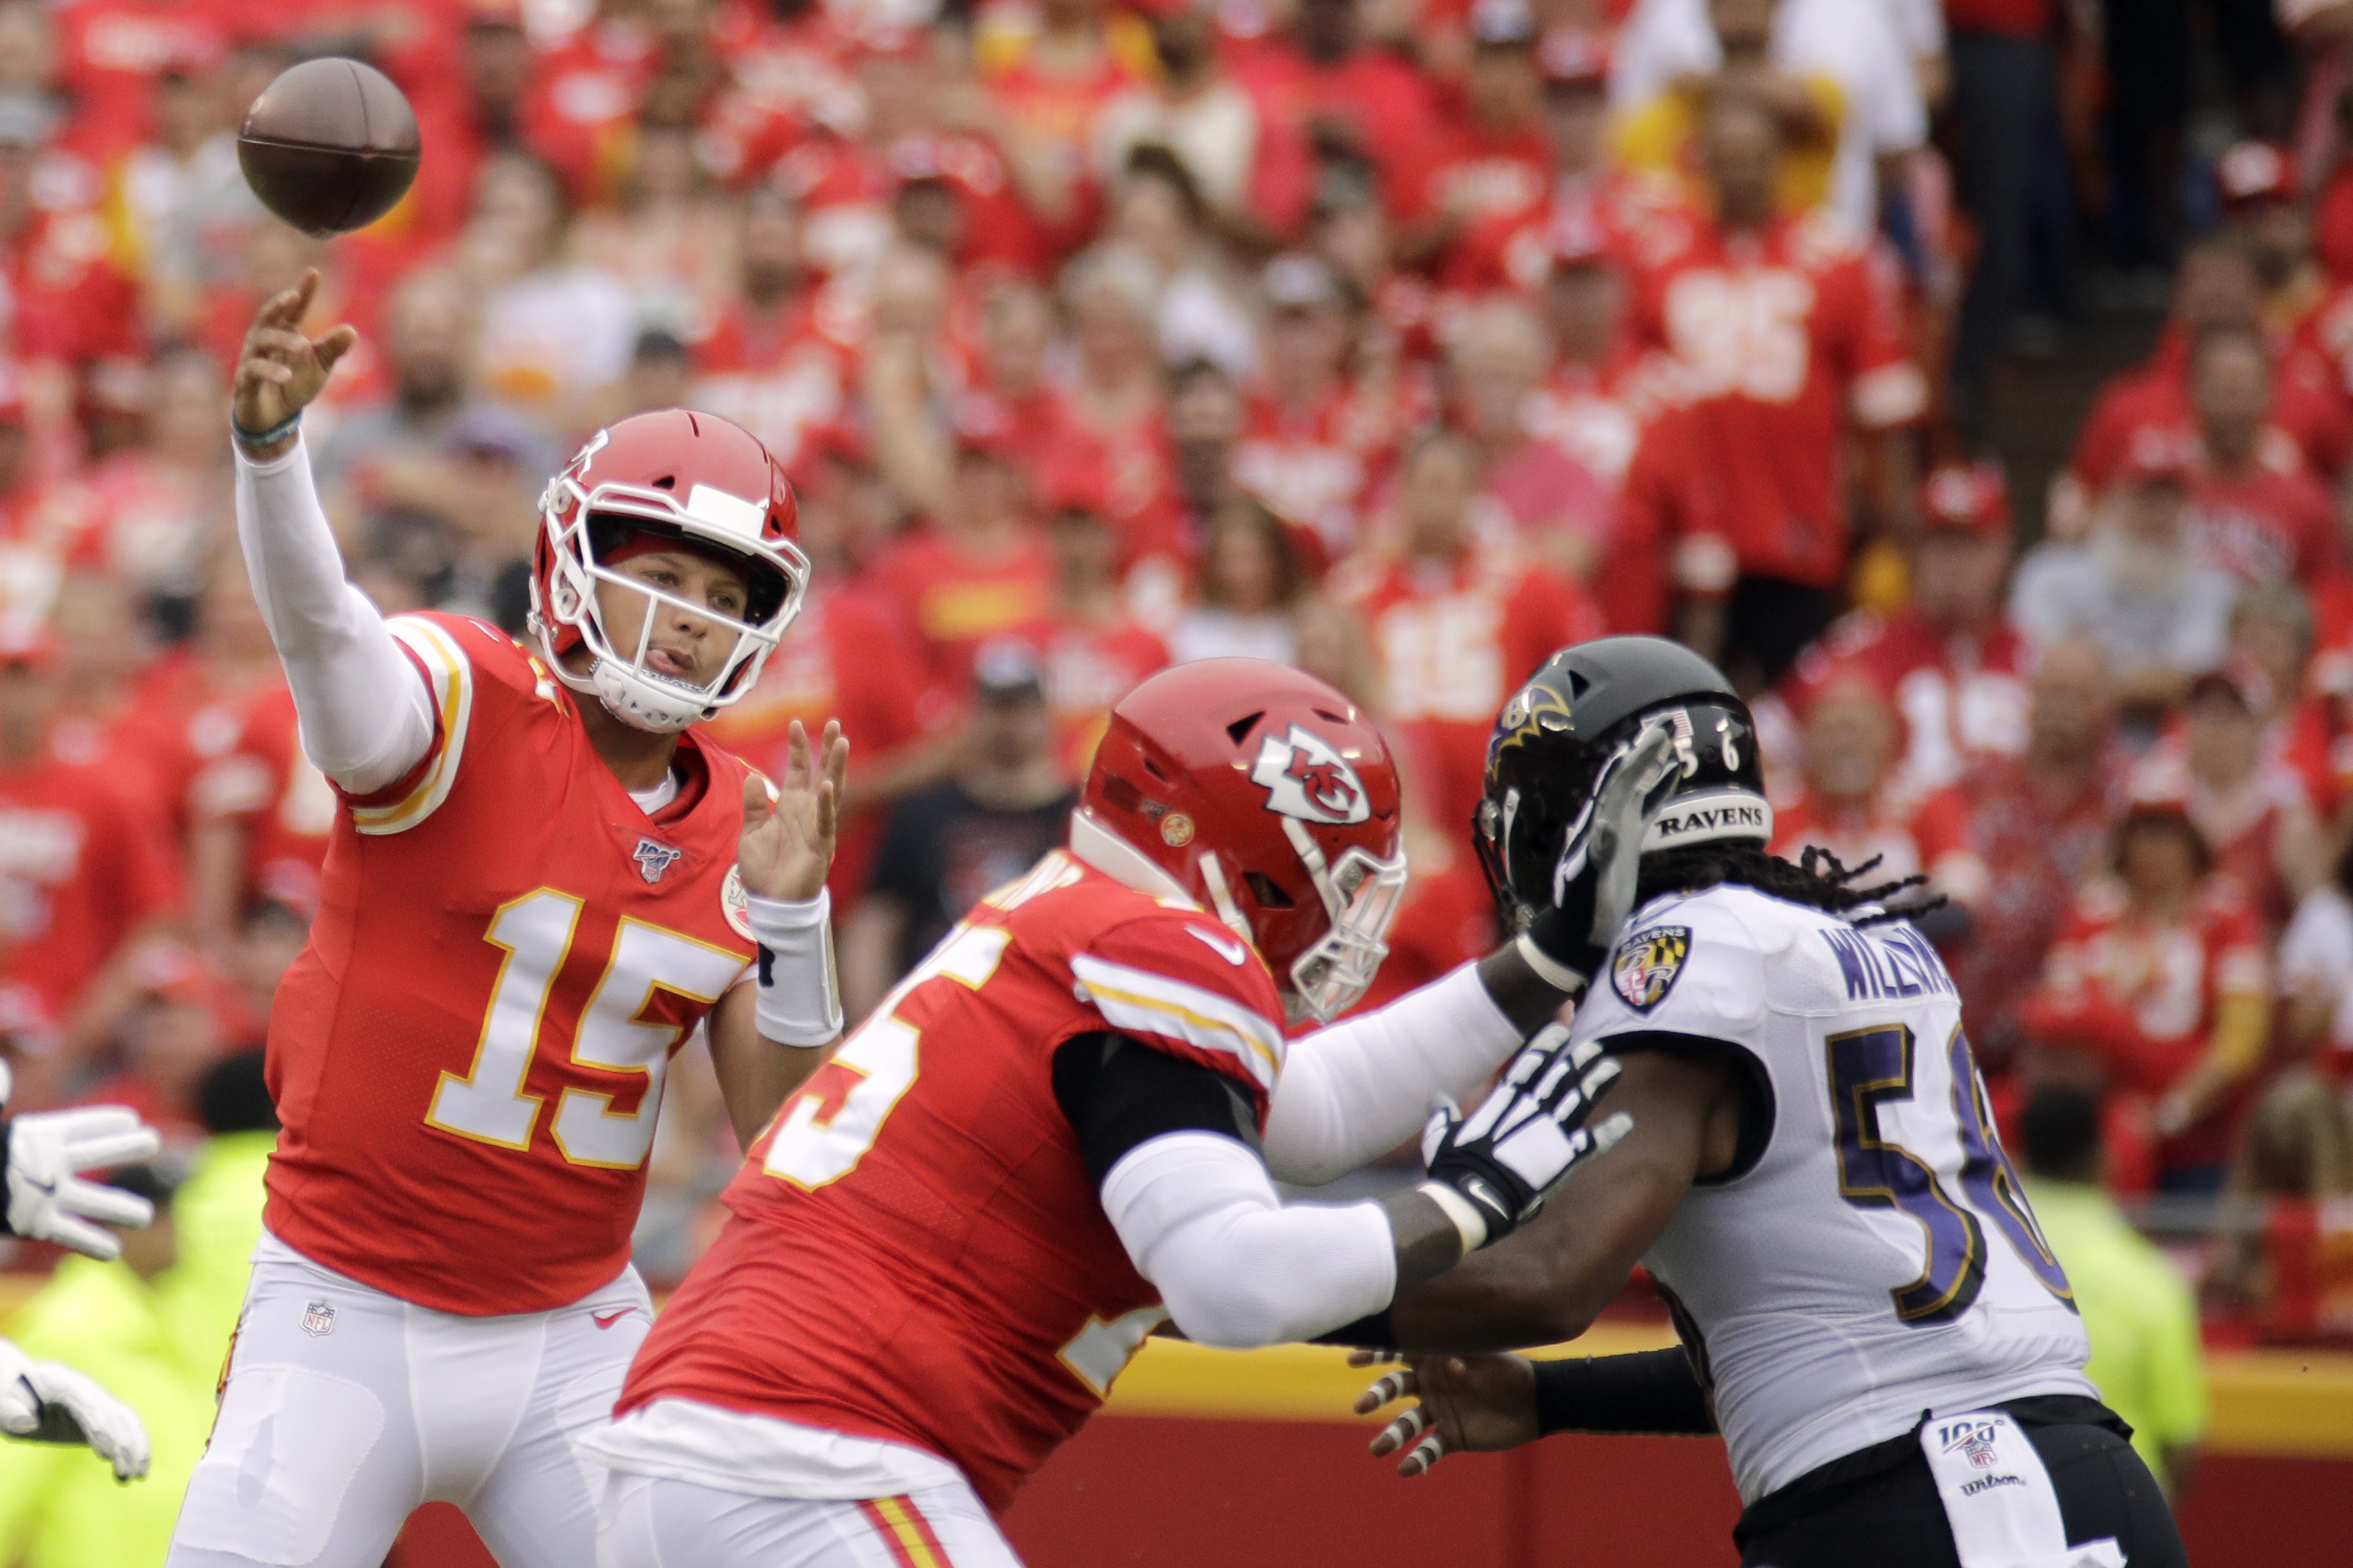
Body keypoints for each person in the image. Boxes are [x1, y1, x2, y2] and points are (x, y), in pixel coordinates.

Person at [587, 653, 1676, 1565]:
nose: (1348, 915)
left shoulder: (1070, 921)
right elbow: (1234, 1284)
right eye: (1337, 876)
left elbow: (1314, 1110)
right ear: (1249, 851)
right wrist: (1475, 1194)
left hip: (699, 1444)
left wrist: (1543, 962)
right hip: (812, 1450)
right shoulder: (1166, 948)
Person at [163, 272, 851, 1568]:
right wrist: (271, 456)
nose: (690, 625)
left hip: (574, 1339)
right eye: (659, 576)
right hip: (344, 1305)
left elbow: (780, 1133)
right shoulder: (463, 698)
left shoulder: (754, 819)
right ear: (574, 558)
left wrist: (796, 921)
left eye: (725, 596)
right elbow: (324, 643)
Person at [1351, 635, 2186, 1568]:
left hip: (1921, 1505)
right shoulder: (1859, 937)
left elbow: (1548, 1279)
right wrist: (1551, 1400)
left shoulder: (1678, 950)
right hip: (2068, 1481)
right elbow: (1805, 1340)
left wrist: (1242, 1287)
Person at [1605, 92, 1925, 689]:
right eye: (1725, 156)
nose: (1740, 171)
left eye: (1754, 155)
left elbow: (1885, 407)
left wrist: (1895, 527)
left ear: (1779, 160)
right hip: (1680, 534)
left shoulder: (1835, 257)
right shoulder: (1655, 256)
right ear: (1698, 162)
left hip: (1793, 527)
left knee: (1789, 707)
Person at [838, 643, 1081, 1020]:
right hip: (934, 1017)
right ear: (973, 714)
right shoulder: (924, 811)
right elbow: (873, 925)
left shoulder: (1082, 818)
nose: (1009, 723)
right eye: (996, 707)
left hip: (1046, 1018)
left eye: (1021, 707)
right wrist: (872, 1025)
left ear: (1047, 715)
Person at [2015, 1084, 2209, 1499]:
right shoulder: (2151, 1278)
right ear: (2104, 1156)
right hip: (2123, 1502)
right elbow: (2179, 1437)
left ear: (2018, 1157)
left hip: (1998, 1500)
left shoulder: (1980, 1260)